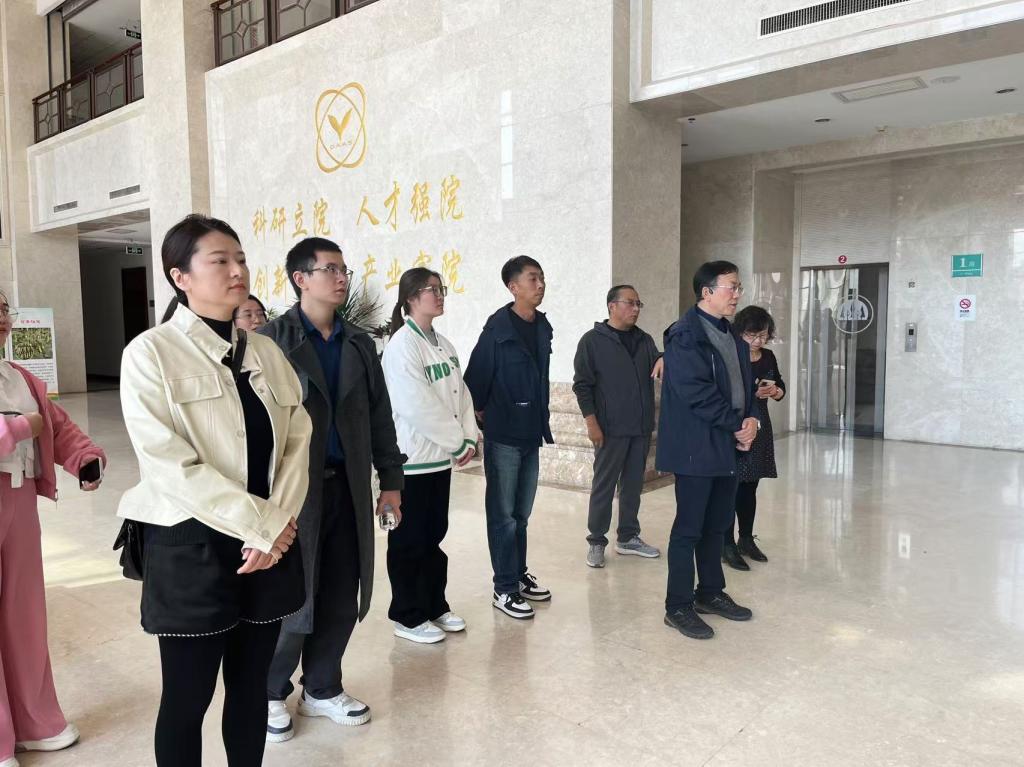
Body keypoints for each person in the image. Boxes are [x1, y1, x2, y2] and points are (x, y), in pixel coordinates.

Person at [118, 214, 311, 766]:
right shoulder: (150, 353)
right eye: (220, 260)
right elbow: (168, 464)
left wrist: (276, 524)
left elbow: (298, 439)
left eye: (241, 259)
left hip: (267, 547)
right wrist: (261, 524)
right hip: (192, 545)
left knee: (251, 691)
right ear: (180, 277)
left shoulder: (266, 353)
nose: (237, 270)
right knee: (187, 698)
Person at [260, 237, 406, 742]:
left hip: (347, 487)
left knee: (343, 592)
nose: (342, 278)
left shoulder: (359, 344)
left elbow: (381, 417)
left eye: (345, 270)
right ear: (300, 278)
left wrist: (391, 482)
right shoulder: (271, 342)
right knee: (292, 596)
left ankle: (322, 687)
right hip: (293, 495)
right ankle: (270, 691)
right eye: (330, 269)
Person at [0, 293, 105, 767]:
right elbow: (34, 424)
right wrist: (20, 428)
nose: (1, 320)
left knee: (24, 614)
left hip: (19, 500)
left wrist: (84, 458)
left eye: (2, 310)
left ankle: (35, 721)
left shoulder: (20, 376)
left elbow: (57, 426)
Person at [657, 260, 758, 641]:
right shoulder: (685, 336)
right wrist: (737, 425)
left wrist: (752, 419)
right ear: (707, 292)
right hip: (695, 446)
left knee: (717, 523)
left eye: (738, 287)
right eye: (731, 286)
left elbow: (745, 386)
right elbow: (697, 393)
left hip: (726, 444)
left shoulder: (730, 334)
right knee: (689, 528)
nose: (737, 294)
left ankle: (710, 592)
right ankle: (677, 606)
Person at [381, 268, 478, 644]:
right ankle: (407, 616)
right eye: (430, 290)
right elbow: (415, 404)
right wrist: (457, 441)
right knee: (408, 539)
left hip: (440, 459)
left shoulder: (444, 344)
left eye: (441, 289)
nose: (439, 296)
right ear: (410, 298)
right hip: (413, 460)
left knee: (434, 535)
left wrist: (469, 437)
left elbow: (461, 395)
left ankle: (434, 605)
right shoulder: (402, 345)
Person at [464, 255, 553, 620]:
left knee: (521, 514)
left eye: (542, 277)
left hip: (531, 432)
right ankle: (503, 588)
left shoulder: (542, 326)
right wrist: (486, 415)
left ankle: (517, 575)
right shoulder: (497, 332)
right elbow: (474, 382)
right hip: (504, 436)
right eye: (533, 278)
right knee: (503, 516)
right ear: (513, 286)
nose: (540, 284)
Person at [572, 284, 662, 568]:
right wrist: (591, 423)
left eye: (638, 304)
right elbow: (582, 386)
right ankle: (596, 541)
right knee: (604, 485)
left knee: (633, 485)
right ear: (612, 306)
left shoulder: (645, 340)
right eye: (630, 303)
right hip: (609, 429)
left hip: (640, 427)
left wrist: (663, 357)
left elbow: (658, 361)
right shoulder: (592, 341)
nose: (636, 309)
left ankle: (628, 537)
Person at [723, 306, 785, 571]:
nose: (758, 340)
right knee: (730, 487)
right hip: (735, 424)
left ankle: (746, 539)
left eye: (763, 335)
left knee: (750, 486)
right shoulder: (731, 355)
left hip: (760, 425)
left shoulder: (768, 356)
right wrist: (751, 393)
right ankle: (726, 543)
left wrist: (775, 391)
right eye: (752, 335)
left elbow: (780, 386)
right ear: (740, 333)